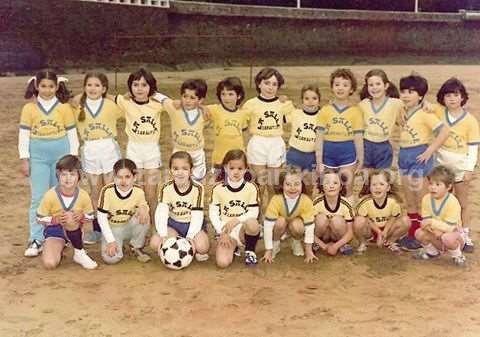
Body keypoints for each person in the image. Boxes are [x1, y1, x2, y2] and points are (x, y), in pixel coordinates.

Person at [20, 70, 79, 257]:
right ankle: (36, 238)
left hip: (60, 156)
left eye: (51, 86)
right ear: (36, 86)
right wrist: (24, 158)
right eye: (43, 86)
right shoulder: (29, 109)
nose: (47, 90)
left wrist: (73, 159)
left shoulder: (64, 108)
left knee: (60, 196)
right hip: (38, 157)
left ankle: (61, 235)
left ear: (57, 87)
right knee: (38, 197)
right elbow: (24, 135)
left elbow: (72, 135)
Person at [396, 74, 449, 251]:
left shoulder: (425, 113)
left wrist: (429, 151)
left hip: (419, 156)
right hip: (404, 156)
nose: (405, 95)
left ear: (420, 95)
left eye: (411, 92)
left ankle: (425, 236)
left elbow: (443, 132)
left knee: (422, 201)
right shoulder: (402, 110)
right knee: (409, 201)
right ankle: (412, 235)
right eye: (403, 91)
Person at [74, 72, 123, 245]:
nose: (92, 88)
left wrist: (108, 96)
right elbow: (64, 102)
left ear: (104, 88)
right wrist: (79, 98)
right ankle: (97, 228)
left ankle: (115, 226)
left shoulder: (111, 105)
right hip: (90, 150)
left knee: (111, 188)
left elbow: (129, 105)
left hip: (109, 148)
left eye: (97, 85)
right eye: (89, 85)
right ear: (84, 87)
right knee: (96, 191)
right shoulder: (77, 106)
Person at [434, 78, 479, 252]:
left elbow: (473, 147)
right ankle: (441, 235)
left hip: (460, 166)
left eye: (456, 95)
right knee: (441, 200)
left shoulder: (470, 120)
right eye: (447, 95)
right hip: (440, 166)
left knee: (462, 203)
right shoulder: (439, 112)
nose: (452, 99)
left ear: (462, 97)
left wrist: (469, 169)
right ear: (442, 98)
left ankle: (465, 235)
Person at [114, 68, 163, 223]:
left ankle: (156, 226)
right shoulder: (125, 102)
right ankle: (139, 226)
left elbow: (171, 102)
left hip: (152, 150)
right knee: (137, 192)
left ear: (151, 87)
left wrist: (155, 94)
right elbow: (105, 96)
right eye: (135, 85)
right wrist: (124, 95)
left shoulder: (157, 105)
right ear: (130, 87)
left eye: (144, 85)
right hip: (134, 150)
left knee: (151, 193)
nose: (140, 88)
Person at [243, 67, 296, 207]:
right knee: (259, 185)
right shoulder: (250, 104)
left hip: (275, 143)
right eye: (267, 83)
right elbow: (241, 125)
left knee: (273, 186)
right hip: (258, 143)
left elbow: (298, 120)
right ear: (259, 84)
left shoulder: (284, 104)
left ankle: (271, 219)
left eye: (274, 84)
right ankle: (258, 219)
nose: (270, 87)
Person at [37, 155, 97, 269]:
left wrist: (81, 216)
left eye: (72, 174)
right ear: (58, 176)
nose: (68, 178)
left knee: (69, 217)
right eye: (64, 174)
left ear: (79, 177)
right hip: (55, 231)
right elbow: (39, 217)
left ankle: (79, 252)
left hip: (75, 228)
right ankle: (58, 247)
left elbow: (91, 216)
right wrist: (55, 220)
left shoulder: (83, 195)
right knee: (50, 264)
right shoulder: (50, 195)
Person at [150, 151, 210, 262]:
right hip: (173, 225)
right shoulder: (166, 187)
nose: (180, 172)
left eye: (184, 168)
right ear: (171, 171)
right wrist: (163, 235)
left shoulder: (198, 188)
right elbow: (161, 213)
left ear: (191, 171)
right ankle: (181, 246)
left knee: (202, 247)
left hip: (191, 223)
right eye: (176, 168)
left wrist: (190, 237)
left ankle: (191, 247)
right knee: (154, 243)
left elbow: (197, 215)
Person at [316, 68, 363, 204]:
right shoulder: (325, 111)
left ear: (351, 89)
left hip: (347, 154)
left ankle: (348, 220)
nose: (340, 88)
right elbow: (319, 138)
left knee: (347, 187)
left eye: (345, 85)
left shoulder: (355, 112)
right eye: (337, 84)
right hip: (328, 154)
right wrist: (318, 161)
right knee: (328, 187)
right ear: (332, 87)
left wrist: (361, 158)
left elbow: (358, 138)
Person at [209, 149, 261, 267]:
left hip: (243, 228)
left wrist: (237, 220)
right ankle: (234, 247)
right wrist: (222, 232)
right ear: (225, 168)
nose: (236, 172)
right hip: (225, 231)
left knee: (253, 224)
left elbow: (254, 211)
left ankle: (250, 251)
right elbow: (213, 213)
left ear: (246, 168)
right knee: (222, 263)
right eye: (232, 168)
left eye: (240, 168)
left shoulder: (251, 187)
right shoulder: (218, 188)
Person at [97, 159, 151, 264]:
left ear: (134, 177)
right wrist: (110, 240)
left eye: (127, 177)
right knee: (111, 259)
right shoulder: (107, 191)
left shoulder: (138, 191)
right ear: (114, 177)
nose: (123, 181)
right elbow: (101, 217)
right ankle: (118, 243)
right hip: (112, 229)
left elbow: (144, 205)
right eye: (119, 177)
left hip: (128, 226)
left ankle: (135, 247)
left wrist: (144, 209)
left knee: (144, 216)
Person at [155, 79, 208, 181]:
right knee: (179, 181)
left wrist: (202, 107)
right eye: (185, 96)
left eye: (192, 98)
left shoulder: (205, 113)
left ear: (200, 100)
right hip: (179, 151)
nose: (187, 100)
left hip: (197, 153)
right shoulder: (175, 108)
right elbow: (159, 96)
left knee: (197, 183)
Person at [414, 166, 467, 266]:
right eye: (431, 183)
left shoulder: (453, 202)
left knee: (447, 238)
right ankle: (432, 252)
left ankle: (458, 256)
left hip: (454, 235)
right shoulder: (426, 199)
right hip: (436, 233)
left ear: (449, 187)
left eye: (438, 184)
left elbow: (450, 227)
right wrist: (433, 229)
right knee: (419, 233)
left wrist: (432, 223)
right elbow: (425, 221)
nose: (433, 187)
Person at [262, 166, 316, 263]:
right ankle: (275, 243)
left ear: (302, 185)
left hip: (295, 225)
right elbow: (267, 226)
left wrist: (309, 251)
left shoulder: (306, 201)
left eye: (297, 184)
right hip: (280, 225)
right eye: (288, 184)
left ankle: (296, 240)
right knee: (279, 222)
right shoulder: (276, 199)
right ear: (282, 185)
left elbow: (310, 227)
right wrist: (268, 250)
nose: (292, 188)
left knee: (298, 226)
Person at [353, 169, 409, 253]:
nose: (377, 187)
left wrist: (384, 232)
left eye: (381, 184)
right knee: (358, 220)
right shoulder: (365, 201)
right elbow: (366, 219)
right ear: (370, 187)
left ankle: (390, 241)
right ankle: (363, 242)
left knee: (406, 220)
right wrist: (379, 232)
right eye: (374, 184)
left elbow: (393, 218)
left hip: (387, 229)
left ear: (388, 188)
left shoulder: (393, 201)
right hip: (371, 231)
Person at [358, 69, 402, 172]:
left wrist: (426, 104)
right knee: (367, 179)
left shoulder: (395, 103)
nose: (374, 88)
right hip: (366, 146)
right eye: (371, 85)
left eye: (378, 84)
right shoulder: (363, 104)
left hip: (384, 147)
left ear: (386, 85)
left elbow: (413, 103)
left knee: (382, 178)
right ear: (367, 87)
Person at [206, 77, 249, 174]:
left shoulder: (242, 114)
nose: (226, 98)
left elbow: (244, 135)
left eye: (230, 94)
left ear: (239, 96)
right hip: (219, 158)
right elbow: (196, 107)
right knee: (219, 185)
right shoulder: (214, 110)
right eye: (223, 94)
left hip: (238, 159)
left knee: (236, 184)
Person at [285, 84, 322, 196]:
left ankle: (307, 208)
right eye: (306, 98)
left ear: (319, 100)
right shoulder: (295, 113)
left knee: (309, 186)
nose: (310, 101)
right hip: (295, 154)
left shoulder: (322, 116)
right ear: (302, 100)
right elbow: (280, 115)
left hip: (312, 156)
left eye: (314, 98)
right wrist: (284, 102)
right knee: (292, 183)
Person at [312, 169, 354, 257]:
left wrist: (335, 246)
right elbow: (308, 229)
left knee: (337, 220)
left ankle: (343, 244)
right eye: (327, 183)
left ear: (341, 186)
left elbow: (350, 232)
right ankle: (316, 243)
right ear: (322, 186)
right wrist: (324, 246)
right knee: (321, 218)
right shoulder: (316, 203)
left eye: (335, 183)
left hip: (338, 237)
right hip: (323, 237)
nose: (331, 186)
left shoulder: (346, 204)